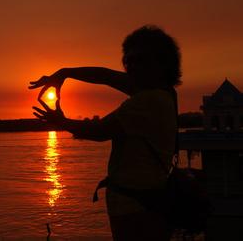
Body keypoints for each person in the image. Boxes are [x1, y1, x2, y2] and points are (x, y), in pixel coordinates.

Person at [29, 25, 181, 241]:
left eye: (141, 60)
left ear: (161, 64)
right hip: (147, 203)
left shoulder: (147, 100)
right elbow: (106, 76)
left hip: (137, 209)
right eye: (129, 61)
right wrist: (66, 73)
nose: (132, 67)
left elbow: (98, 131)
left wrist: (60, 121)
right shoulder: (165, 93)